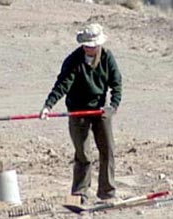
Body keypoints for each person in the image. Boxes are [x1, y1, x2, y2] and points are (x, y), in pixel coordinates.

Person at [40, 23, 122, 203]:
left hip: (100, 110)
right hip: (78, 111)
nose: (88, 49)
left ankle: (107, 193)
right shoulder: (73, 60)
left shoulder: (108, 58)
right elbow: (62, 85)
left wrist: (113, 106)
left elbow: (116, 84)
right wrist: (48, 105)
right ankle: (80, 194)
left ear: (99, 45)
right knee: (83, 154)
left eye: (92, 46)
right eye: (86, 45)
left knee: (107, 150)